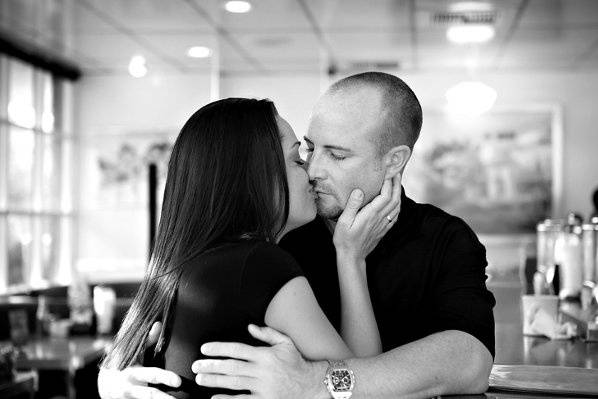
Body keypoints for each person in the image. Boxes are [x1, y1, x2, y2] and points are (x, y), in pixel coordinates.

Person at [99, 72, 495, 399]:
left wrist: (317, 384)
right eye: (307, 150)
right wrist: (114, 380)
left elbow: (469, 362)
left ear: (394, 161)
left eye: (338, 155)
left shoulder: (446, 240)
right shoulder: (283, 233)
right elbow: (161, 320)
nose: (314, 169)